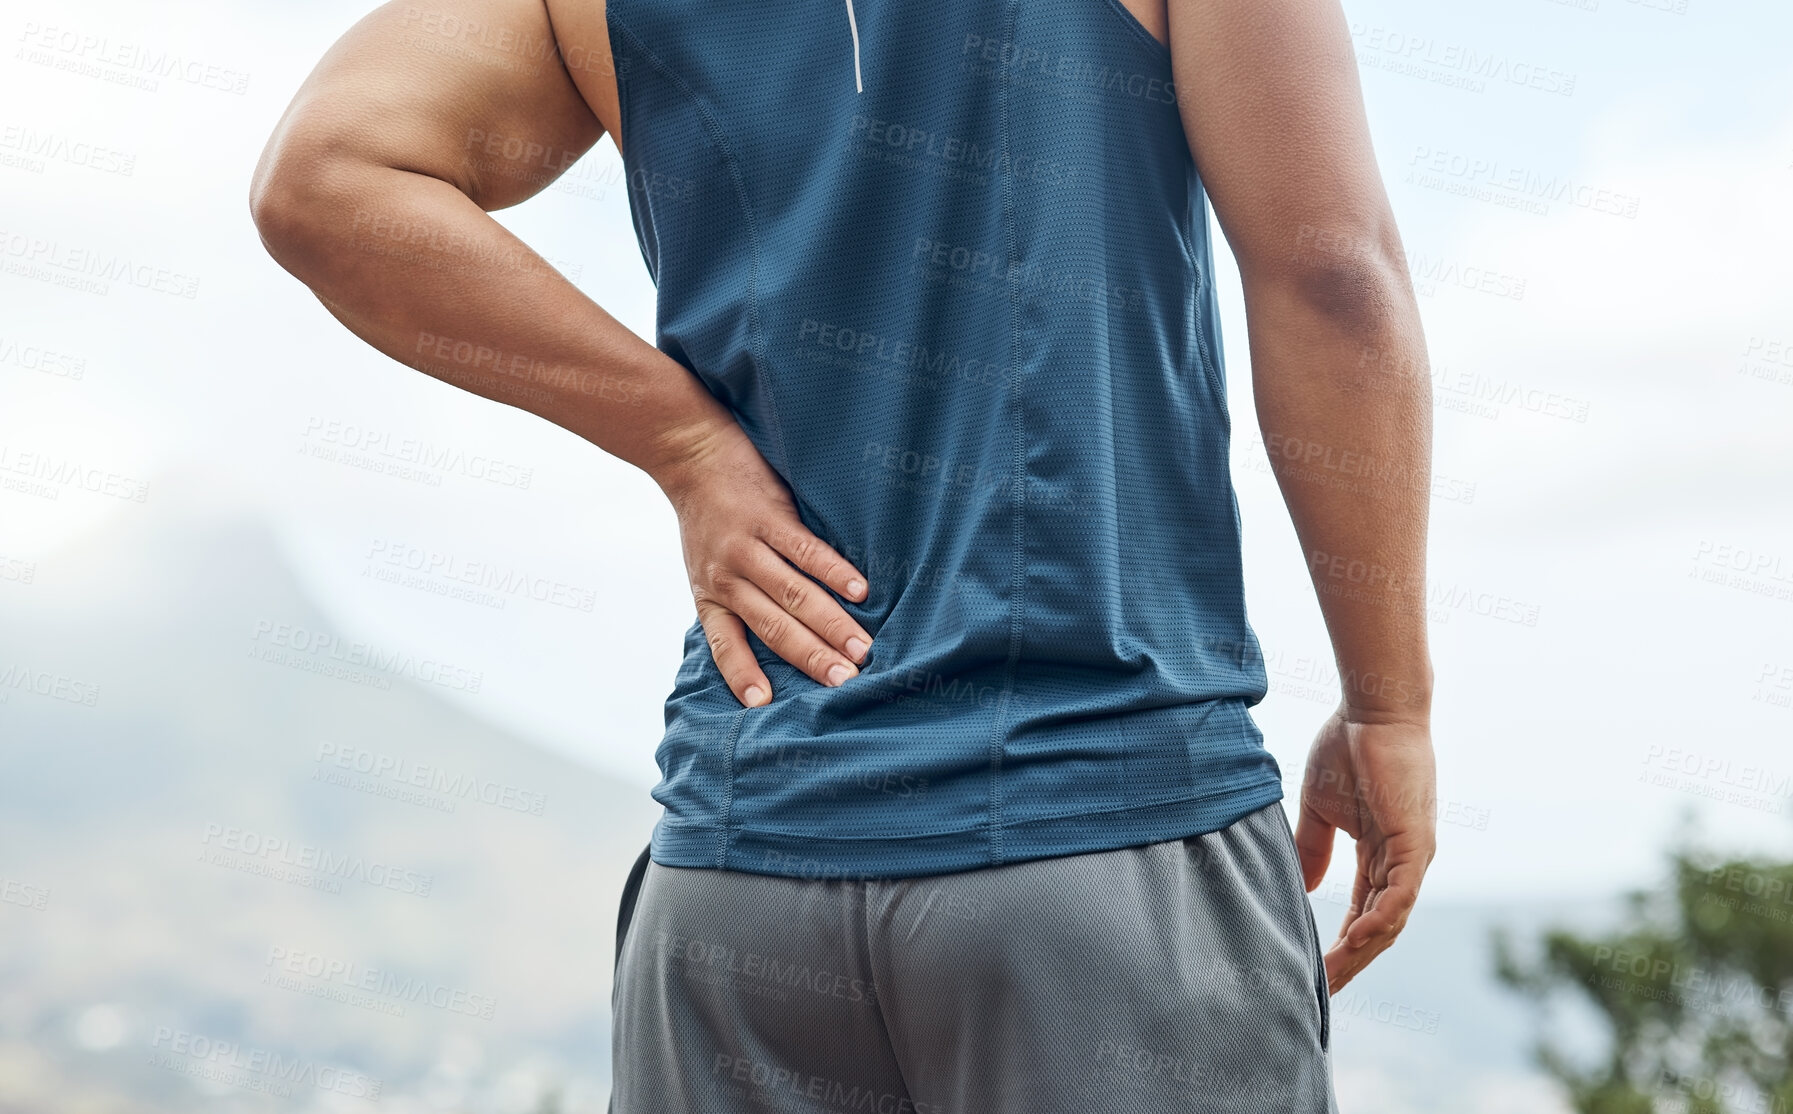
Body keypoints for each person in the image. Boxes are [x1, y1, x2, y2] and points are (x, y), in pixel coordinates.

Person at [250, 0, 1438, 1108]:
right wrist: (1388, 706)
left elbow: (323, 177)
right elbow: (1331, 275)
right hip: (1099, 829)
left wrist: (684, 446)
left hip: (735, 881)